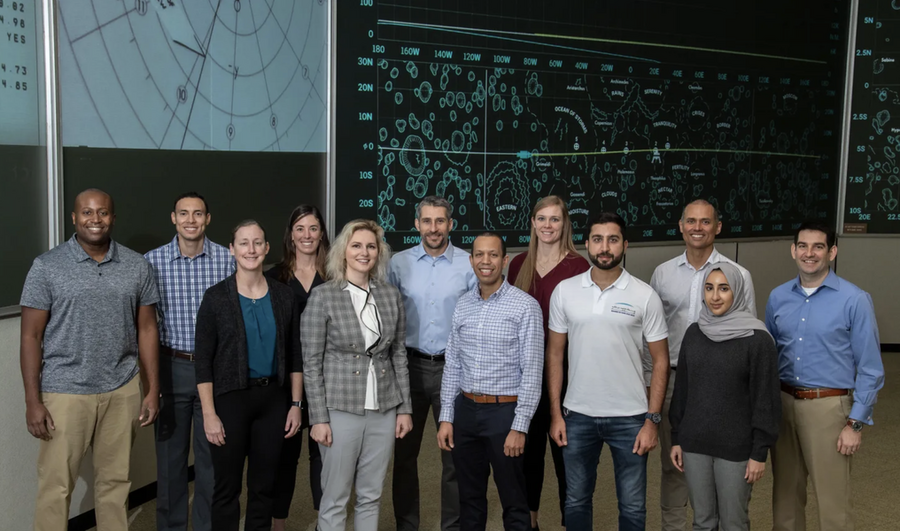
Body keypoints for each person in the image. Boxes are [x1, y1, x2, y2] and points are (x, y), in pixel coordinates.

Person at [20, 188, 160, 531]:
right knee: (56, 486)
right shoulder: (46, 267)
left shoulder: (136, 265)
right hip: (64, 393)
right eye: (87, 212)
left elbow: (146, 330)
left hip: (121, 388)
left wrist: (152, 389)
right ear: (74, 217)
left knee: (115, 484)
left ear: (113, 217)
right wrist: (32, 401)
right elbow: (30, 336)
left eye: (102, 213)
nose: (95, 220)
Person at [548, 212, 669, 531]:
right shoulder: (565, 291)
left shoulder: (645, 295)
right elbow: (555, 354)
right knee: (575, 500)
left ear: (625, 245)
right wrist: (556, 415)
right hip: (576, 415)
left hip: (630, 418)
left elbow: (660, 361)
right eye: (598, 239)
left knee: (632, 506)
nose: (605, 247)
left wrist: (652, 421)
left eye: (613, 240)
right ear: (586, 244)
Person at [766, 221, 885, 531]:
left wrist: (855, 423)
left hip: (829, 409)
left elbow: (871, 367)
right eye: (803, 246)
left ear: (832, 251)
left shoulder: (854, 299)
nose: (810, 253)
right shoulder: (778, 297)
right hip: (783, 404)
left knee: (833, 506)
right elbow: (768, 355)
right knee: (785, 501)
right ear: (793, 250)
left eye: (818, 246)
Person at [647, 199, 756, 531]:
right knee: (675, 465)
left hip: (724, 387)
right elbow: (650, 335)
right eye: (691, 221)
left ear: (718, 227)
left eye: (705, 221)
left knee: (723, 469)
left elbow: (748, 333)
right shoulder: (662, 274)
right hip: (674, 381)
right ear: (681, 226)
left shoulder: (738, 275)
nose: (698, 227)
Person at [302, 219, 413, 531]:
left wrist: (404, 409)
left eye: (370, 246)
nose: (364, 252)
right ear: (343, 252)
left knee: (371, 494)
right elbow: (311, 363)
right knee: (335, 495)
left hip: (384, 408)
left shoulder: (390, 295)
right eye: (356, 245)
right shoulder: (323, 296)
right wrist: (319, 418)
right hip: (340, 409)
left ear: (378, 252)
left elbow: (399, 354)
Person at [194, 220, 303, 531]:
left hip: (273, 402)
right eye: (243, 243)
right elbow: (203, 361)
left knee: (263, 486)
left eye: (257, 243)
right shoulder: (216, 298)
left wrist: (296, 404)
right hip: (230, 402)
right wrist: (209, 414)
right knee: (227, 488)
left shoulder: (283, 296)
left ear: (267, 248)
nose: (251, 249)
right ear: (232, 249)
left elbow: (295, 354)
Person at [437, 232, 544, 531]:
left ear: (505, 260)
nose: (486, 262)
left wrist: (520, 426)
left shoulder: (525, 307)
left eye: (493, 255)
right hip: (466, 413)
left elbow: (532, 372)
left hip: (504, 414)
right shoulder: (463, 305)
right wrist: (447, 417)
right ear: (471, 261)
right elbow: (453, 363)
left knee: (514, 500)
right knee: (469, 499)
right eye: (480, 255)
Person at [145, 192, 234, 531]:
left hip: (215, 370)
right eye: (184, 213)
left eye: (198, 214)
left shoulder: (227, 260)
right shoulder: (151, 262)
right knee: (171, 464)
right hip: (173, 368)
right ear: (173, 218)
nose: (191, 220)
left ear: (208, 219)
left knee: (212, 460)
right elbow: (146, 324)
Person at [669, 264, 781, 531]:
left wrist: (759, 453)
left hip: (737, 449)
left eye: (723, 288)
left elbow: (765, 401)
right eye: (709, 288)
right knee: (702, 522)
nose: (715, 297)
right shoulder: (694, 333)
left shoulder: (757, 339)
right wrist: (676, 438)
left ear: (738, 292)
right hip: (695, 445)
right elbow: (682, 391)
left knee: (734, 523)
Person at [390, 196, 476, 531]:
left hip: (452, 369)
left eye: (440, 221)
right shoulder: (398, 264)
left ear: (450, 224)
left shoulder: (468, 264)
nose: (434, 228)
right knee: (404, 455)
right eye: (427, 221)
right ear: (417, 224)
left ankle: (451, 526)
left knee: (454, 456)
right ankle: (406, 525)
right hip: (407, 368)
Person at [507, 195, 590, 531]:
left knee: (565, 455)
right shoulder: (517, 264)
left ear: (565, 223)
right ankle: (531, 522)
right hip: (523, 374)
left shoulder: (579, 267)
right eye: (541, 218)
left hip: (565, 374)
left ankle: (572, 522)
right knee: (527, 454)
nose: (547, 226)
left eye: (554, 219)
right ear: (532, 222)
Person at [265, 205, 329, 531]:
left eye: (313, 228)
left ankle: (324, 521)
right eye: (300, 228)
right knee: (284, 456)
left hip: (327, 379)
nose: (307, 235)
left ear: (322, 233)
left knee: (323, 454)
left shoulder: (335, 275)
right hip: (284, 381)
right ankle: (278, 524)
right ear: (291, 234)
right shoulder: (273, 277)